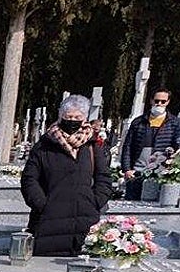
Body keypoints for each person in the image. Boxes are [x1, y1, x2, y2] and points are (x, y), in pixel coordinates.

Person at [20, 95, 114, 256]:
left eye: (77, 117)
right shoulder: (44, 145)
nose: (72, 121)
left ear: (84, 118)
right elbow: (30, 179)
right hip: (49, 221)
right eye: (68, 117)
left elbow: (103, 178)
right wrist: (42, 204)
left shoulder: (91, 146)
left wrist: (95, 201)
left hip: (85, 220)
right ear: (61, 117)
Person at [120, 89, 180, 200]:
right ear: (151, 101)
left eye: (163, 101)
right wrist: (126, 168)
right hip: (136, 171)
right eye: (156, 100)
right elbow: (128, 146)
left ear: (168, 102)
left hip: (160, 172)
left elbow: (177, 146)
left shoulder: (175, 123)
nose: (159, 104)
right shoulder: (138, 122)